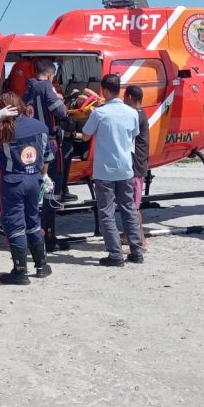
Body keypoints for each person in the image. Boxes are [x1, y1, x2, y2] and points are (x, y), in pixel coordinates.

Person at [0, 92, 53, 285]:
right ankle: (41, 265)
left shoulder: (0, 130)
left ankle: (20, 271)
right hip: (34, 179)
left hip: (11, 181)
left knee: (14, 224)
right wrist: (44, 175)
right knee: (33, 221)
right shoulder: (40, 126)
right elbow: (47, 155)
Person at [81, 74, 144, 266]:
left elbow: (85, 136)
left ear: (105, 91)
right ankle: (137, 251)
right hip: (126, 168)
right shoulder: (132, 113)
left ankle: (115, 254)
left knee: (107, 212)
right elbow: (134, 134)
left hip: (105, 170)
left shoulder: (99, 113)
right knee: (129, 209)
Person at [23, 59, 73, 252]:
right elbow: (60, 112)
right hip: (49, 143)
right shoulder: (46, 86)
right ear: (51, 75)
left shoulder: (29, 88)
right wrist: (63, 102)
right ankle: (49, 238)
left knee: (35, 190)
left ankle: (33, 234)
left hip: (31, 144)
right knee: (52, 190)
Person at [123, 84, 149, 252]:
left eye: (124, 97)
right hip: (138, 164)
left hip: (135, 165)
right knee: (132, 204)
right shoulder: (141, 114)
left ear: (129, 97)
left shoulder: (135, 116)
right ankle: (129, 235)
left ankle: (141, 241)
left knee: (133, 206)